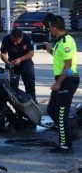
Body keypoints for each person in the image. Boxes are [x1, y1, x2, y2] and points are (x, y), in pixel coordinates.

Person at [43, 15, 79, 154]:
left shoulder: (66, 42)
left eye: (50, 28)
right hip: (62, 80)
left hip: (67, 80)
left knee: (61, 113)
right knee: (52, 110)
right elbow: (59, 58)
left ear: (54, 28)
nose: (50, 30)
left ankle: (66, 146)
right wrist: (50, 50)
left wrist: (58, 83)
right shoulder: (59, 42)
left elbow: (68, 67)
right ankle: (69, 132)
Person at [0, 28, 36, 103]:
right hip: (12, 64)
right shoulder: (6, 39)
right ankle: (15, 103)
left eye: (17, 41)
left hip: (26, 63)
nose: (15, 43)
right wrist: (6, 61)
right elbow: (2, 53)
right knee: (12, 87)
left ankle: (32, 102)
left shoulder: (27, 38)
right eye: (13, 41)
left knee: (30, 85)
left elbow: (31, 53)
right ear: (11, 36)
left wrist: (20, 59)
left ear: (21, 37)